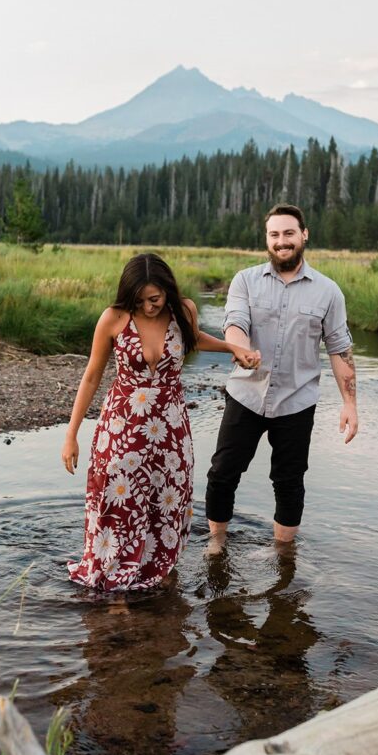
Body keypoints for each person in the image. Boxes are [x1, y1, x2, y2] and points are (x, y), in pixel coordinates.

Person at [62, 253, 261, 591]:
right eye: (140, 301)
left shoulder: (182, 310)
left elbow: (192, 338)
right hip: (121, 427)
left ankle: (159, 575)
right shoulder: (113, 318)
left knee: (166, 501)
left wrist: (231, 347)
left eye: (154, 299)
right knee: (118, 502)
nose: (148, 306)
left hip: (170, 429)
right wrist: (71, 435)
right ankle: (115, 587)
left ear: (167, 290)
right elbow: (92, 376)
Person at [205, 203, 358, 552]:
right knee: (222, 474)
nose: (281, 241)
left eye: (289, 233)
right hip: (246, 394)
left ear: (304, 235)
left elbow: (340, 349)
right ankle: (216, 544)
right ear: (267, 239)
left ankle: (283, 557)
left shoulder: (328, 291)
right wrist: (242, 350)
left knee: (289, 483)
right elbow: (235, 324)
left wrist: (350, 403)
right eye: (274, 234)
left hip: (296, 402)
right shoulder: (245, 280)